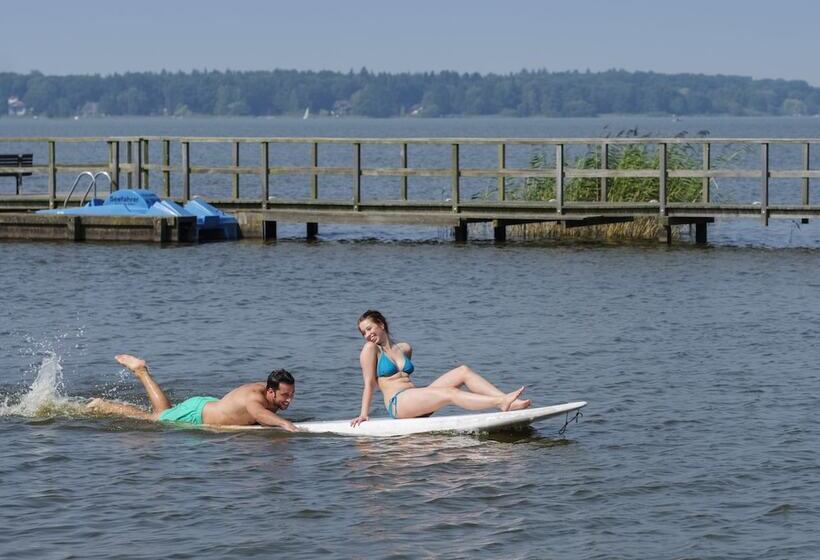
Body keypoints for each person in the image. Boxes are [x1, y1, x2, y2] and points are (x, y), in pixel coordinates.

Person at [350, 310, 531, 427]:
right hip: (398, 405)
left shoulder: (404, 348)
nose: (367, 335)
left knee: (463, 371)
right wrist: (364, 414)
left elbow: (405, 379)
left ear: (381, 324)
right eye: (363, 332)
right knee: (449, 393)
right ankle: (500, 402)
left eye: (369, 328)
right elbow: (369, 384)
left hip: (415, 400)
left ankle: (508, 403)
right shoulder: (370, 349)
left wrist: (425, 397)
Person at [87, 354, 299, 431]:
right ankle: (103, 404)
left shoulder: (270, 388)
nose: (289, 399)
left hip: (208, 404)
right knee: (154, 418)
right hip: (197, 414)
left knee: (163, 411)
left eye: (291, 394)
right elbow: (259, 413)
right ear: (270, 392)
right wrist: (285, 424)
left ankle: (142, 372)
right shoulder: (254, 399)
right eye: (285, 396)